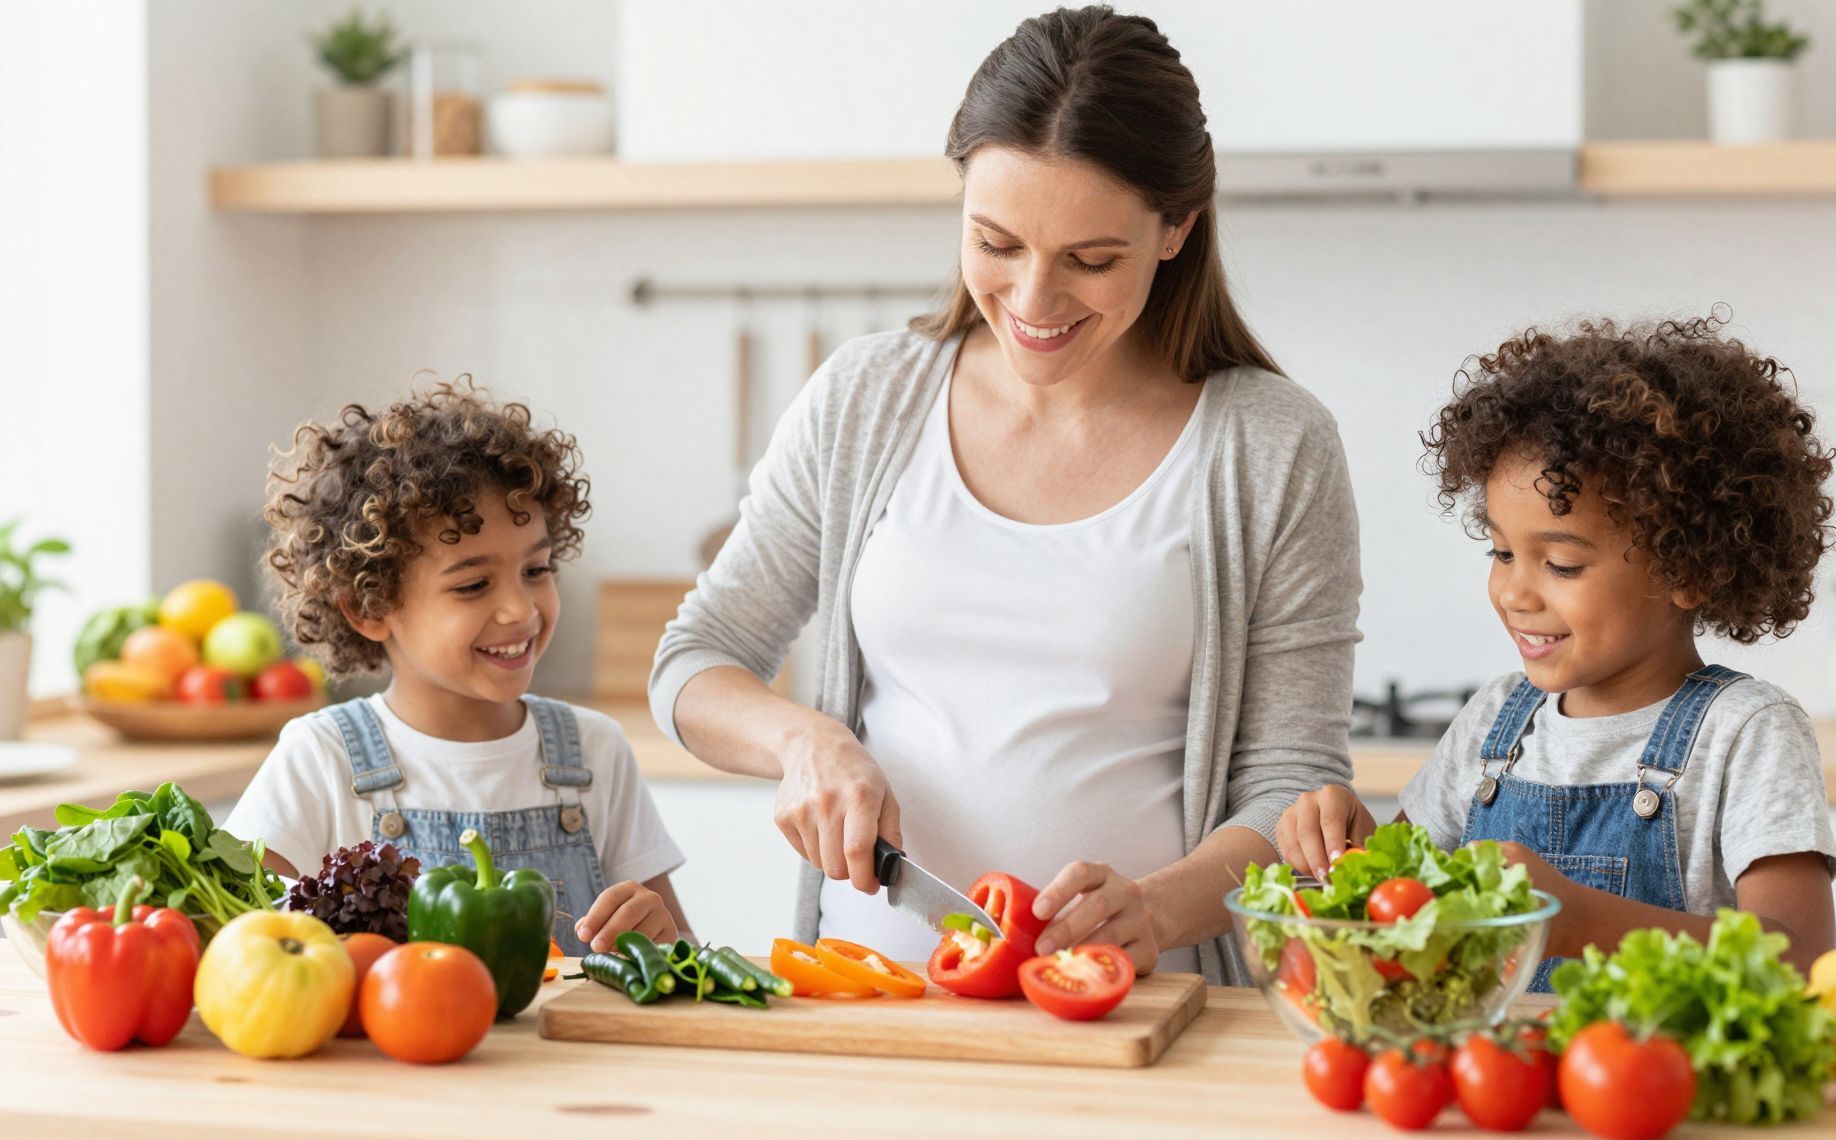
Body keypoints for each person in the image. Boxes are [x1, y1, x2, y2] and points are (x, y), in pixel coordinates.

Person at [651, 6, 1362, 982]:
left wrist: (1154, 909)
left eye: (1090, 260)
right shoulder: (865, 398)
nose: (1032, 301)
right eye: (995, 242)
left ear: (1176, 230)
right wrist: (801, 740)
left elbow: (1294, 787)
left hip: (1134, 1007)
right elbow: (694, 663)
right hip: (868, 1000)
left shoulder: (1272, 446)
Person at [1276, 314, 1836, 983]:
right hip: (1494, 1054)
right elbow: (1403, 902)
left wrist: (1581, 922)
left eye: (1562, 566)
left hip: (1649, 1054)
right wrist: (1348, 842)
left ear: (1687, 569)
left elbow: (1800, 959)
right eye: (1501, 553)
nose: (1515, 592)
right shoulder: (1494, 721)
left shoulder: (1745, 732)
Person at [226, 379, 690, 956]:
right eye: (473, 585)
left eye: (536, 570)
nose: (521, 609)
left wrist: (660, 939)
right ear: (369, 608)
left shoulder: (596, 752)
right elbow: (243, 950)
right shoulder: (321, 757)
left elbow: (679, 952)